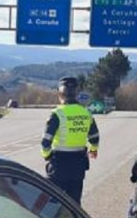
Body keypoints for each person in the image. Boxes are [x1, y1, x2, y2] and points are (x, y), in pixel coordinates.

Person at [41, 77, 99, 206]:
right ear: (76, 94)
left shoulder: (57, 114)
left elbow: (45, 142)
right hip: (78, 166)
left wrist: (47, 155)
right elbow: (94, 136)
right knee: (74, 204)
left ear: (60, 94)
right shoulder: (86, 113)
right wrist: (93, 150)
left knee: (50, 204)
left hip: (59, 165)